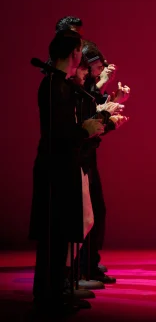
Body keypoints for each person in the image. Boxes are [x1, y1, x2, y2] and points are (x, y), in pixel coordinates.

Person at [29, 30, 104, 313]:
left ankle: (57, 290)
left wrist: (86, 129)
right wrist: (83, 130)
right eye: (80, 50)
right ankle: (47, 297)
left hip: (63, 166)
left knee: (61, 233)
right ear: (73, 53)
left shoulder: (62, 85)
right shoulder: (52, 86)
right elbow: (57, 134)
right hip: (54, 168)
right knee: (53, 235)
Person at [77, 43, 129, 286]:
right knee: (87, 214)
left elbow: (93, 114)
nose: (101, 70)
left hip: (86, 153)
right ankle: (82, 269)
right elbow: (86, 113)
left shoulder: (84, 85)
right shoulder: (74, 86)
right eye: (97, 67)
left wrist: (112, 106)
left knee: (95, 212)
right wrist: (107, 112)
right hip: (78, 155)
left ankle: (88, 264)